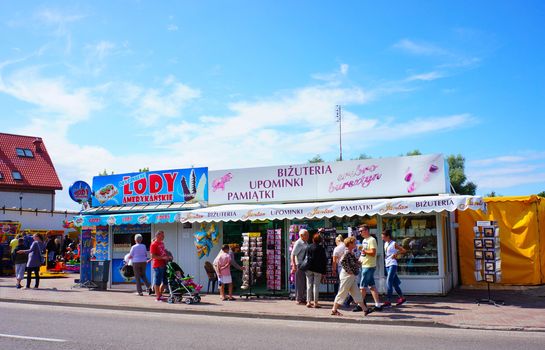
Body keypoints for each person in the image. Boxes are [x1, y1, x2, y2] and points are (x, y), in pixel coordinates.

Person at [331, 236, 372, 316]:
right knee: (342, 292)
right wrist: (348, 270)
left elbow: (354, 263)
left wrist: (360, 260)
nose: (355, 244)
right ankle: (334, 309)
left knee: (356, 293)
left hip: (350, 275)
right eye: (354, 243)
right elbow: (342, 261)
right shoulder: (347, 252)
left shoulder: (350, 252)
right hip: (347, 276)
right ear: (350, 244)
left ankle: (365, 309)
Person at [358, 224, 382, 311]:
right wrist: (360, 259)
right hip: (365, 265)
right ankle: (378, 305)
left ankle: (360, 305)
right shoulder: (364, 240)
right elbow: (364, 253)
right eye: (359, 231)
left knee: (362, 287)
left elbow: (373, 252)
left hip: (369, 266)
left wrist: (363, 250)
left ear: (367, 230)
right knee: (372, 286)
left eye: (361, 231)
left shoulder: (372, 240)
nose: (360, 232)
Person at [382, 229, 407, 307]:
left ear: (388, 236)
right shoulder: (385, 243)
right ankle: (402, 298)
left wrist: (396, 254)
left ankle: (388, 301)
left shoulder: (393, 243)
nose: (382, 238)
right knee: (395, 284)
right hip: (387, 264)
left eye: (383, 237)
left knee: (389, 281)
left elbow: (403, 250)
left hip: (393, 264)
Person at [305, 233, 327, 308]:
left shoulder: (309, 247)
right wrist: (324, 271)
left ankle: (308, 302)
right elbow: (324, 260)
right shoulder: (321, 248)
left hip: (309, 268)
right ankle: (315, 302)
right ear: (320, 240)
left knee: (309, 285)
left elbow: (306, 257)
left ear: (313, 239)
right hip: (318, 269)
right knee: (316, 286)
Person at [290, 229, 309, 305]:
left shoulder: (305, 242)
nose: (308, 236)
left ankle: (302, 297)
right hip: (300, 265)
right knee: (300, 282)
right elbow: (293, 254)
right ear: (301, 235)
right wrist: (294, 265)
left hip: (304, 264)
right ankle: (298, 298)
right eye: (306, 235)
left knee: (304, 282)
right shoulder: (299, 243)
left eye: (308, 235)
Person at [150, 231, 169, 302]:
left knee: (165, 281)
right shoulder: (153, 244)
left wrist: (167, 256)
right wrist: (163, 258)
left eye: (163, 236)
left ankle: (160, 295)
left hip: (164, 264)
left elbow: (163, 252)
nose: (163, 237)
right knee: (157, 281)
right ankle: (158, 296)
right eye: (162, 236)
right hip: (157, 265)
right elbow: (153, 256)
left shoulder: (162, 243)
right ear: (157, 236)